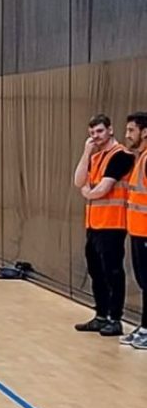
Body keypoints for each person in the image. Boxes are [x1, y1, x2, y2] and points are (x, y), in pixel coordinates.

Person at [73, 114, 134, 336]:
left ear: (110, 130)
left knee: (113, 271)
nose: (95, 137)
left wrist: (89, 192)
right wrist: (86, 152)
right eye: (91, 134)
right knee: (95, 270)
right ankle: (101, 314)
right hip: (94, 223)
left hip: (113, 223)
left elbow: (103, 188)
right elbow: (79, 181)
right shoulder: (96, 156)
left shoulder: (121, 156)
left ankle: (115, 318)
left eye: (99, 131)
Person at [122, 111, 147, 349]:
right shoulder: (141, 157)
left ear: (144, 132)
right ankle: (144, 325)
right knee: (143, 281)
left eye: (131, 130)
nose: (127, 135)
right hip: (138, 231)